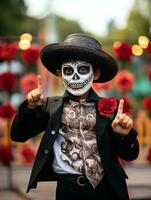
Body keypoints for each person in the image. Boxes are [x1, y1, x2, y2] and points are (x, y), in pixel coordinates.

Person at [11, 33, 139, 200]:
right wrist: (30, 107)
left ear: (96, 73)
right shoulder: (51, 106)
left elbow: (130, 154)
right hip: (68, 190)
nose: (76, 77)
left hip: (106, 191)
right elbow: (18, 135)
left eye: (83, 69)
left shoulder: (110, 108)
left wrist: (123, 136)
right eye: (69, 71)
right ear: (60, 75)